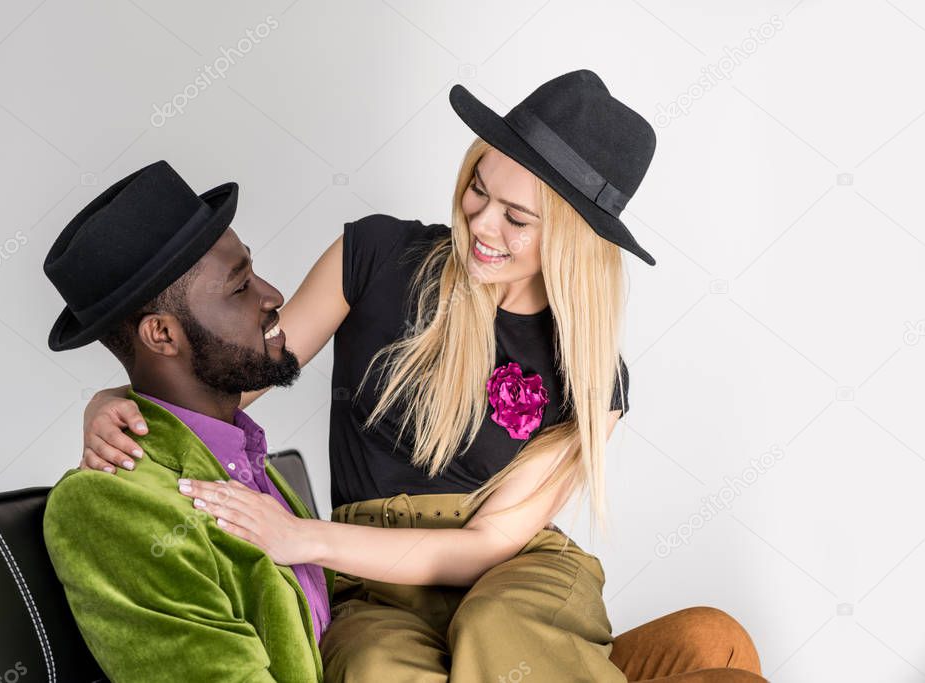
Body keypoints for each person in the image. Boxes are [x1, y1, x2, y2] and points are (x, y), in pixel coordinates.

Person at [76, 71, 765, 681]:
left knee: (497, 631)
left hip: (512, 576)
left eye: (516, 217)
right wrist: (123, 390)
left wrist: (303, 537)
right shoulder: (375, 256)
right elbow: (239, 379)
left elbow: (487, 545)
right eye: (477, 186)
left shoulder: (590, 376)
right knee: (375, 668)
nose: (479, 222)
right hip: (371, 589)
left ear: (571, 239)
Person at [41, 160, 334, 682]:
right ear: (162, 335)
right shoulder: (110, 503)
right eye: (240, 286)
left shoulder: (247, 460)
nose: (272, 296)